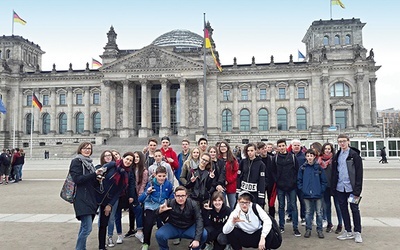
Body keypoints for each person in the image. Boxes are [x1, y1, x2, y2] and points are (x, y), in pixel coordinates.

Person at [69, 142, 103, 250]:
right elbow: (77, 179)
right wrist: (94, 174)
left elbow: (90, 181)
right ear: (80, 150)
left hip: (90, 197)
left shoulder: (89, 163)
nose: (87, 150)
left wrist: (98, 179)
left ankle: (80, 248)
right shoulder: (76, 162)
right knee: (87, 228)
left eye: (89, 148)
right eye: (85, 148)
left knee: (84, 227)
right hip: (81, 198)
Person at [331, 134, 363, 243]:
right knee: (343, 209)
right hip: (340, 188)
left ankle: (357, 232)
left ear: (348, 141)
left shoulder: (354, 155)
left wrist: (358, 190)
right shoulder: (337, 155)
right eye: (340, 141)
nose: (342, 143)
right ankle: (348, 230)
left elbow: (359, 174)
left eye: (344, 141)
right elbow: (334, 172)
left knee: (354, 209)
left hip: (352, 188)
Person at [155, 185, 207, 250]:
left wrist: (197, 239)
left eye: (182, 196)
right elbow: (154, 214)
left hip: (189, 227)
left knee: (203, 234)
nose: (180, 198)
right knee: (159, 234)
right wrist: (159, 211)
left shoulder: (193, 204)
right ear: (174, 196)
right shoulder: (170, 202)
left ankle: (194, 248)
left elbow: (199, 220)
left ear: (186, 196)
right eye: (178, 196)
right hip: (173, 226)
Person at [139, 165, 174, 250]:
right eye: (159, 176)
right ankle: (146, 243)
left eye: (163, 176)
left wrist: (168, 202)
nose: (161, 178)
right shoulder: (151, 183)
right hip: (151, 206)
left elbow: (171, 196)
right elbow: (140, 199)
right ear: (155, 175)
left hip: (163, 206)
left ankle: (174, 236)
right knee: (148, 223)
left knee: (171, 219)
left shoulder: (168, 184)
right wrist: (147, 192)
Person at [272, 138, 301, 236]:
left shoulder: (292, 157)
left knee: (293, 206)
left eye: (283, 146)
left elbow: (297, 170)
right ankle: (281, 226)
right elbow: (273, 172)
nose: (281, 148)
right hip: (280, 186)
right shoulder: (275, 158)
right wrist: (277, 180)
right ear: (277, 147)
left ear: (286, 146)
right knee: (281, 206)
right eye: (279, 146)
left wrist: (294, 181)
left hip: (292, 186)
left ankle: (295, 227)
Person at [298, 149, 327, 239]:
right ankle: (308, 229)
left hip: (318, 194)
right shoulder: (302, 168)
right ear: (306, 157)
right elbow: (299, 180)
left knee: (319, 212)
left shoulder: (319, 168)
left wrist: (321, 190)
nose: (309, 158)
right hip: (306, 194)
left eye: (311, 156)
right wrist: (302, 189)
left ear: (314, 157)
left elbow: (324, 181)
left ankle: (319, 230)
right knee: (308, 212)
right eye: (308, 156)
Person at [112, 152, 136, 246]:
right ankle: (119, 234)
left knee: (133, 211)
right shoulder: (115, 166)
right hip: (115, 195)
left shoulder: (130, 171)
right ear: (123, 158)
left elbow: (131, 184)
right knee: (117, 215)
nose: (128, 161)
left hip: (124, 195)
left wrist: (131, 196)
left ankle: (132, 229)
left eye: (130, 160)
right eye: (127, 159)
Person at [318, 143, 343, 234]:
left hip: (335, 186)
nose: (327, 150)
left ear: (331, 150)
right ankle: (329, 223)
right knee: (326, 206)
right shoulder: (319, 160)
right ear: (323, 150)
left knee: (338, 206)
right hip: (325, 186)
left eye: (329, 149)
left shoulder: (335, 159)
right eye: (326, 149)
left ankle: (340, 224)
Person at [124, 151, 148, 243]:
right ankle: (132, 229)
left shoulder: (144, 171)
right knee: (131, 212)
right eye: (135, 157)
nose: (136, 159)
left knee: (138, 211)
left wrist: (139, 196)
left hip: (138, 194)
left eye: (137, 157)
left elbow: (143, 184)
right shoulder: (130, 169)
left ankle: (139, 230)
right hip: (130, 194)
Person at [236, 143, 266, 208]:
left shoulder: (261, 164)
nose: (250, 152)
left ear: (255, 151)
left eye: (251, 150)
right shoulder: (243, 162)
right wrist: (238, 190)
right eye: (248, 151)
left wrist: (261, 196)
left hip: (254, 192)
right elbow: (239, 176)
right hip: (243, 190)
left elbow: (262, 181)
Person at [289, 140, 306, 226]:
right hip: (291, 183)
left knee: (302, 201)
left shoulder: (304, 157)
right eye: (295, 145)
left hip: (301, 182)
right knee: (291, 202)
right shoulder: (288, 156)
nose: (296, 147)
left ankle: (303, 217)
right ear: (291, 146)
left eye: (298, 145)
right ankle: (291, 216)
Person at [218, 140, 239, 209]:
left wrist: (228, 180)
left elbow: (236, 172)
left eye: (224, 146)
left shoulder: (233, 159)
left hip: (231, 185)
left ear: (227, 147)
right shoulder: (218, 158)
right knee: (223, 205)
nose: (223, 148)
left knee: (233, 205)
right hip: (221, 186)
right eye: (221, 146)